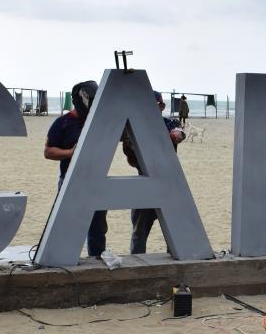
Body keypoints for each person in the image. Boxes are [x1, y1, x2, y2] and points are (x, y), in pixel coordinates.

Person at [44, 80, 107, 258]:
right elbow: (48, 152)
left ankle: (96, 259)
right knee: (67, 222)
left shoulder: (98, 122)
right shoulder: (62, 123)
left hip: (97, 180)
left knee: (98, 227)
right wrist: (70, 153)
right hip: (69, 180)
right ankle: (63, 258)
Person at [121, 91, 186, 254]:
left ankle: (174, 262)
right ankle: (137, 263)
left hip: (167, 186)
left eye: (153, 105)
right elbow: (130, 157)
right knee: (139, 232)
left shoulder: (169, 122)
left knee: (175, 234)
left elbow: (179, 134)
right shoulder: (132, 127)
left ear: (162, 106)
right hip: (145, 184)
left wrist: (166, 137)